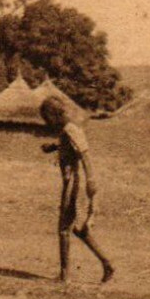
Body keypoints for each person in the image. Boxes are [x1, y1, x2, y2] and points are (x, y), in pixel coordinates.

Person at [41, 96, 115, 284]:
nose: (46, 122)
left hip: (75, 181)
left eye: (47, 117)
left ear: (53, 115)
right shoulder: (68, 130)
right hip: (74, 181)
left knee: (64, 229)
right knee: (77, 228)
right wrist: (54, 147)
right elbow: (71, 146)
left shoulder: (70, 129)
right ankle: (107, 264)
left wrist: (91, 180)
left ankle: (64, 275)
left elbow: (84, 154)